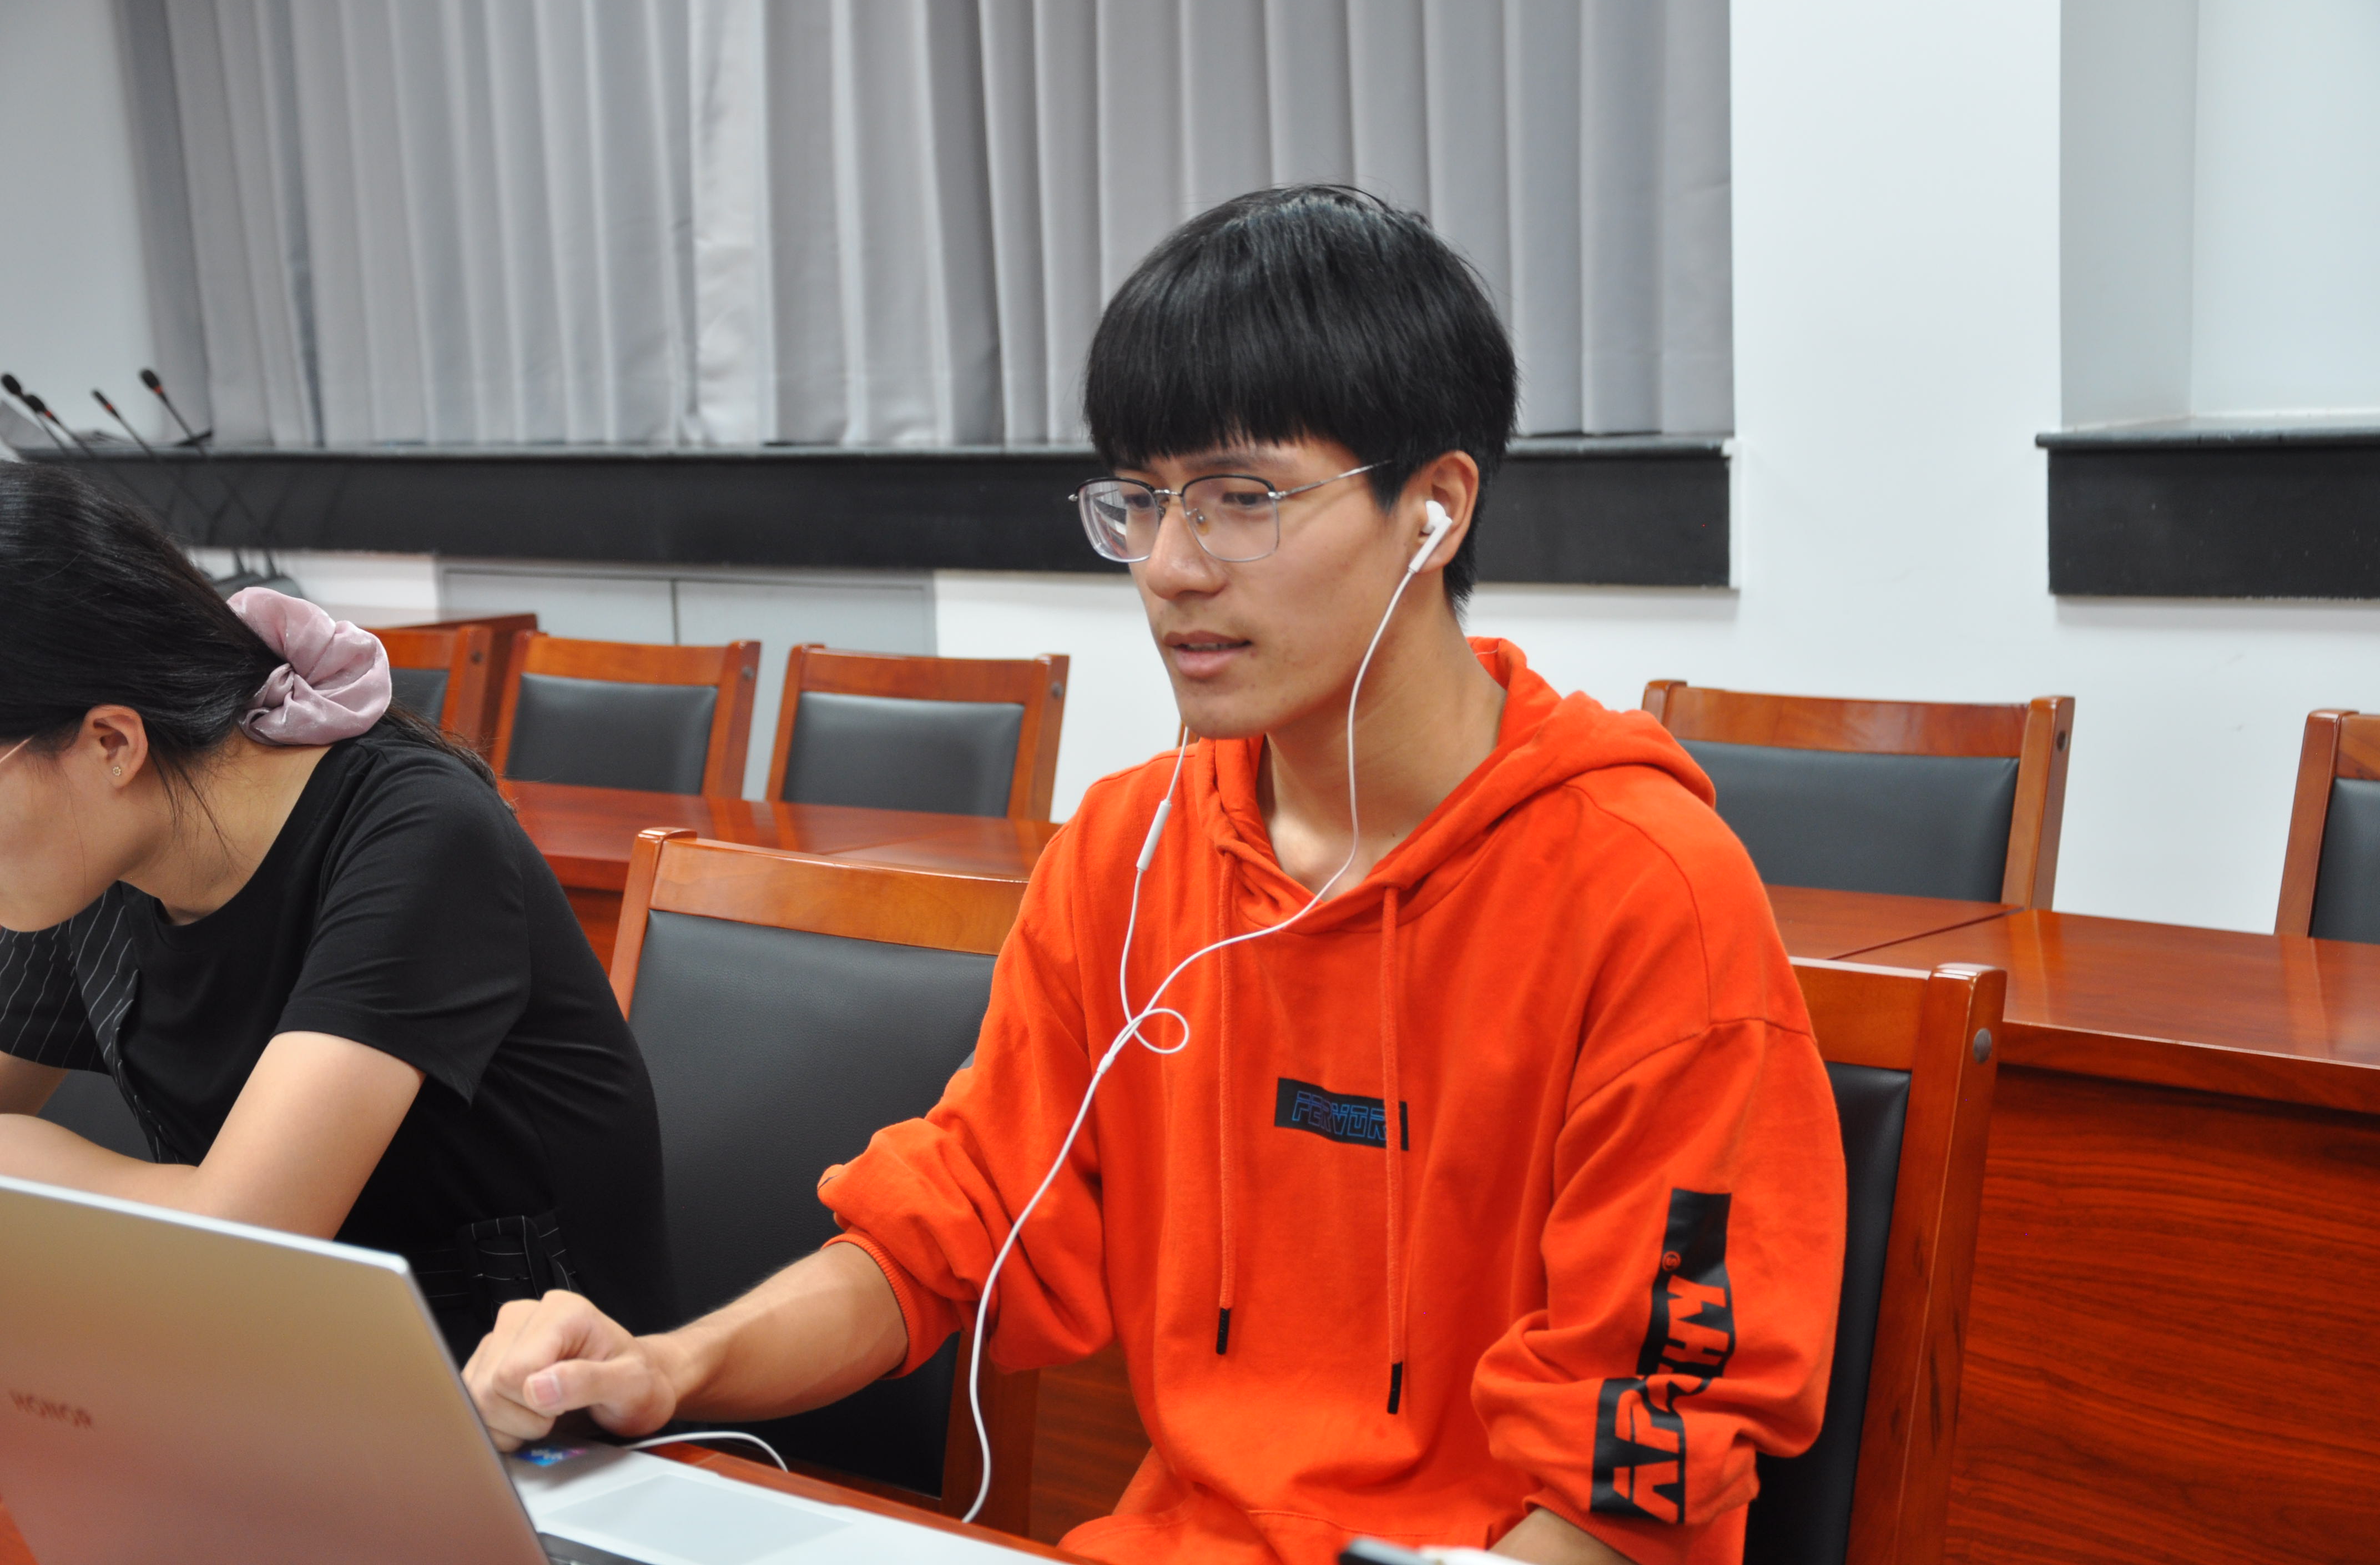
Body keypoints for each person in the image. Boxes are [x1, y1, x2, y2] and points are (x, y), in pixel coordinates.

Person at [467, 185, 1844, 1565]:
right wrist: (667, 1369)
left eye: (1242, 499)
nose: (1171, 567)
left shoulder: (1645, 892)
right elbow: (943, 1230)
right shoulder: (1131, 852)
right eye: (1141, 500)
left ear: (1432, 509)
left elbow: (1638, 1467)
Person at [0, 463, 673, 1362]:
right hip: (273, 1367)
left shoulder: (417, 833)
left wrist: (18, 1161)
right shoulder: (93, 858)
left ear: (112, 743)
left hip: (527, 1394)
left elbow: (245, 1236)